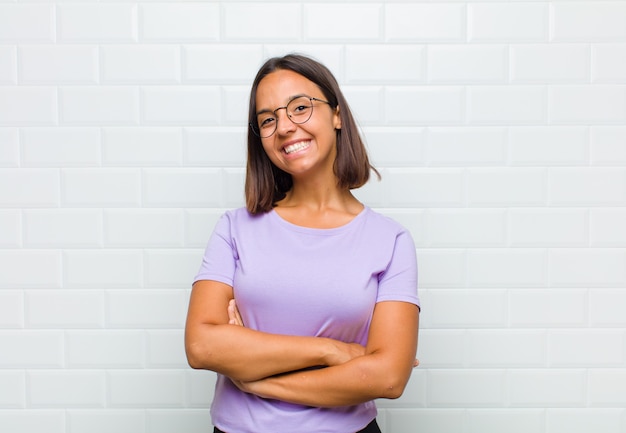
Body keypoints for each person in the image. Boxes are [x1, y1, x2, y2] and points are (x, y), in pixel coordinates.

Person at [185, 53, 420, 433]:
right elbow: (202, 346)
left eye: (299, 107)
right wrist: (333, 351)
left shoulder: (390, 240)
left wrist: (259, 380)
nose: (284, 127)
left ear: (337, 115)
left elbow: (389, 377)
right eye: (267, 119)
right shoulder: (234, 228)